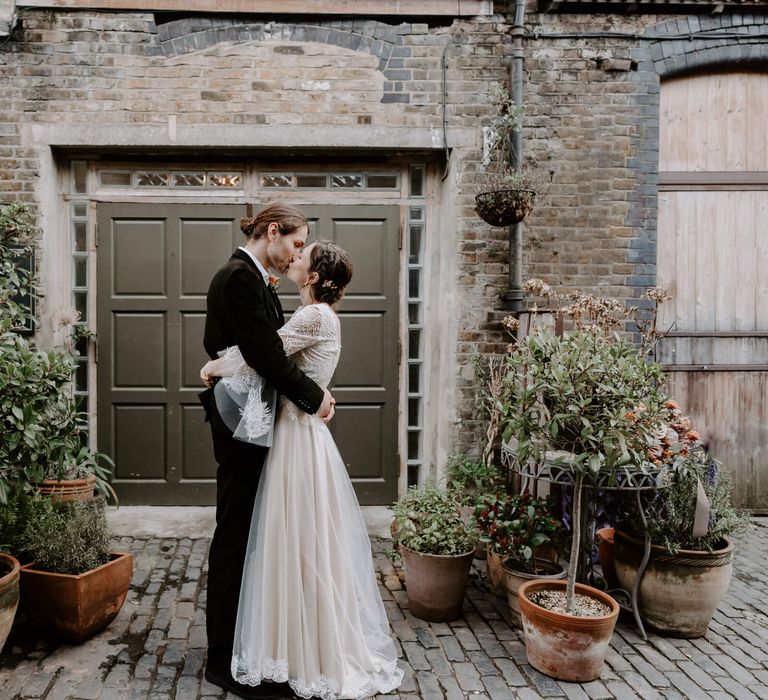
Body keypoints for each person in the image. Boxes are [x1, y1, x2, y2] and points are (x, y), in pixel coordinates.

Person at [201, 240, 403, 700]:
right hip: (300, 432)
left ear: (312, 277)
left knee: (291, 539)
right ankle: (295, 642)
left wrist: (215, 364)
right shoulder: (319, 315)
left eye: (303, 254)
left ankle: (297, 648)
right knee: (301, 539)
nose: (295, 257)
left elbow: (262, 355)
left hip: (294, 436)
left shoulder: (314, 316)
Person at [200, 204, 335, 700]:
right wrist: (314, 396)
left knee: (254, 533)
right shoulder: (237, 277)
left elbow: (268, 349)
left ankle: (247, 644)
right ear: (273, 232)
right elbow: (266, 355)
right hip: (240, 427)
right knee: (234, 535)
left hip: (258, 423)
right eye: (297, 244)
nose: (298, 253)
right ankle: (222, 663)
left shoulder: (256, 279)